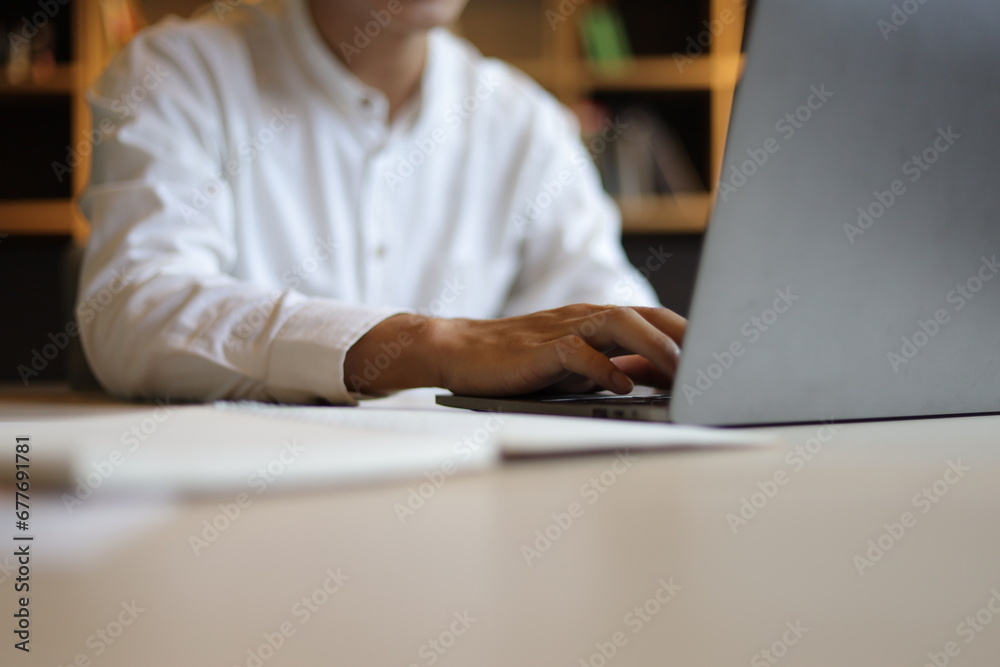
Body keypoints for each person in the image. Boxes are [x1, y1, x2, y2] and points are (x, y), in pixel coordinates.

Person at [76, 0, 686, 405]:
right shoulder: (176, 72)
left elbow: (609, 315)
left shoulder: (524, 119)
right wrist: (438, 348)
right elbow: (136, 310)